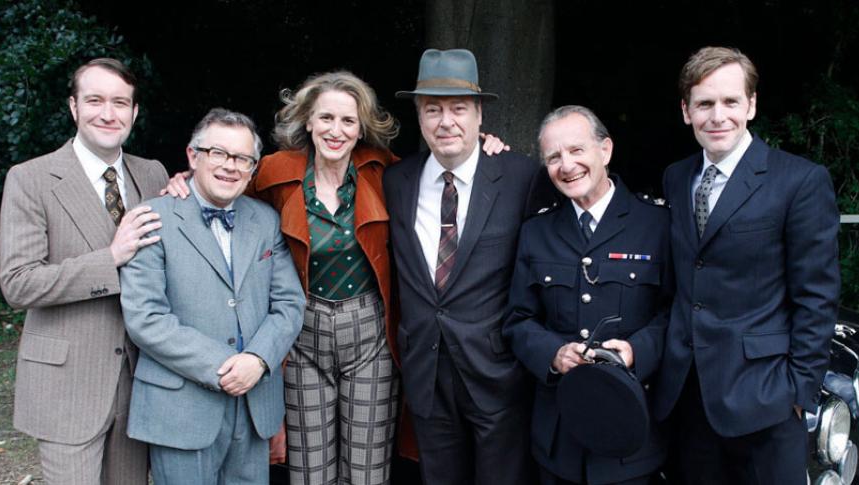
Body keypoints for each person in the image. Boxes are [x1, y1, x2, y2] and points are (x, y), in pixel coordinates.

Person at [162, 70, 511, 484]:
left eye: (348, 120)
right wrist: (185, 179)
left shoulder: (386, 172)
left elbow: (446, 166)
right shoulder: (273, 171)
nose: (336, 130)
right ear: (308, 120)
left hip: (370, 334)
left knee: (367, 471)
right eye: (326, 118)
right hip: (303, 332)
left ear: (361, 127)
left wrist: (487, 146)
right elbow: (224, 187)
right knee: (311, 470)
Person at [652, 47, 841, 484]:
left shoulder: (799, 181)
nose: (718, 116)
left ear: (751, 105)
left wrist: (800, 390)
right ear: (686, 111)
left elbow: (817, 295)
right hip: (688, 395)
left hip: (766, 396)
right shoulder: (676, 178)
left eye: (730, 101)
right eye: (704, 104)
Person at [383, 48, 555, 485]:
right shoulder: (395, 180)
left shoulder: (521, 177)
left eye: (459, 109)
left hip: (497, 374)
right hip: (426, 373)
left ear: (480, 116)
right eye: (433, 109)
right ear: (419, 118)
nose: (446, 121)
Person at [0, 58, 168, 485]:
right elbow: (18, 283)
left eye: (120, 102)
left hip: (139, 383)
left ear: (134, 112)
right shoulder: (31, 179)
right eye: (95, 100)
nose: (108, 114)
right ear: (74, 107)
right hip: (67, 386)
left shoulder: (152, 174)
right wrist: (109, 257)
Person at [119, 108, 305, 484]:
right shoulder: (153, 217)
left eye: (242, 159)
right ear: (193, 156)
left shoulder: (265, 219)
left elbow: (289, 303)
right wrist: (225, 365)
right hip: (181, 406)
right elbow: (146, 317)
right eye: (218, 153)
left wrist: (257, 359)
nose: (230, 166)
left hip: (253, 401)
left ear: (253, 169)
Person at [504, 106, 670, 485]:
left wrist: (637, 351)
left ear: (605, 151)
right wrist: (553, 354)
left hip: (632, 433)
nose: (567, 165)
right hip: (559, 434)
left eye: (577, 150)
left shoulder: (657, 224)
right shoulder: (537, 231)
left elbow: (675, 313)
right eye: (554, 157)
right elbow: (518, 318)